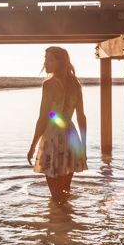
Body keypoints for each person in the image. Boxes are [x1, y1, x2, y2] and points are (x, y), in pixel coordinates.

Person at [27, 46, 88, 202]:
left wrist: (33, 145)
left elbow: (43, 117)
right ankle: (67, 222)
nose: (45, 62)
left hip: (53, 138)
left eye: (50, 59)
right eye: (45, 58)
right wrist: (83, 146)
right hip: (72, 137)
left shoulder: (49, 84)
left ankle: (56, 222)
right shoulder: (76, 84)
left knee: (55, 197)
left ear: (59, 62)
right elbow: (81, 116)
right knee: (65, 193)